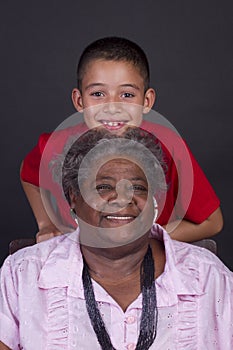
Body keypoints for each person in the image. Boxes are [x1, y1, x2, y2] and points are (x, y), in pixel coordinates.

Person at [1, 127, 232, 349]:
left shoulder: (208, 276)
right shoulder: (22, 273)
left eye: (138, 187)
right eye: (103, 187)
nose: (123, 198)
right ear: (73, 196)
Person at [20, 36, 223, 243]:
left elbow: (212, 222)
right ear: (79, 101)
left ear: (146, 101)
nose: (112, 107)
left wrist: (145, 238)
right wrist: (46, 224)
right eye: (98, 94)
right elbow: (28, 175)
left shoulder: (170, 146)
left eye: (127, 95)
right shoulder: (56, 144)